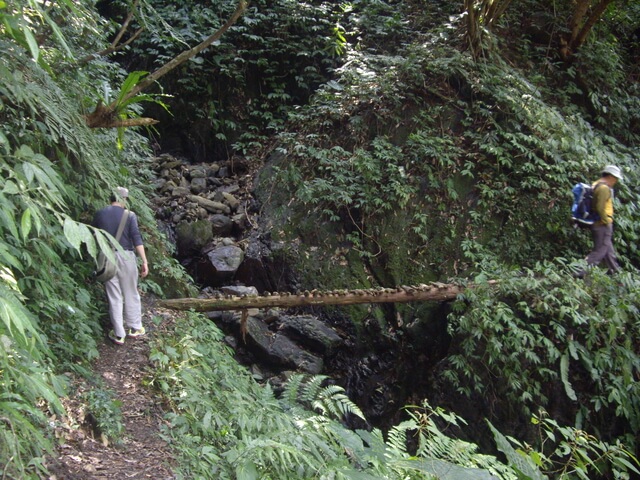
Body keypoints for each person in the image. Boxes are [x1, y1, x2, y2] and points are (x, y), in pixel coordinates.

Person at [93, 187, 149, 344]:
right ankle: (135, 327)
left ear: (111, 198)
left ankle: (119, 334)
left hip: (107, 256)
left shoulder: (100, 214)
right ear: (124, 199)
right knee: (131, 292)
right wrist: (144, 261)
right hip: (126, 256)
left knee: (114, 296)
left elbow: (94, 235)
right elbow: (136, 239)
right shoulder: (129, 215)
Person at [578, 165, 623, 277]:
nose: (616, 181)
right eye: (615, 178)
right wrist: (606, 221)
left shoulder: (596, 184)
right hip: (602, 224)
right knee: (600, 251)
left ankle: (617, 274)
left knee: (608, 251)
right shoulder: (604, 188)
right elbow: (600, 207)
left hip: (597, 222)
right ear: (610, 176)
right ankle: (579, 272)